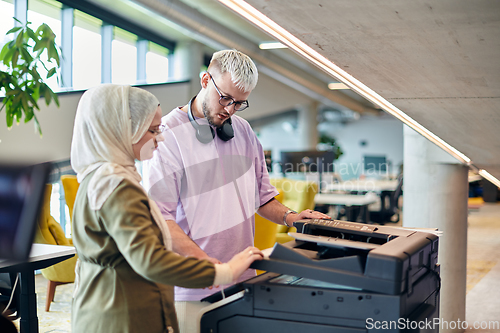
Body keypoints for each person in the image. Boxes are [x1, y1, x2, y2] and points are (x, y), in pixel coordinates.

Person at [143, 49, 330, 332]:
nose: (229, 110)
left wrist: (293, 217)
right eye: (225, 98)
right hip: (192, 285)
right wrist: (207, 264)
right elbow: (161, 220)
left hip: (244, 280)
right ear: (205, 80)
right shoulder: (167, 137)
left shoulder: (242, 131)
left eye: (239, 103)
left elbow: (262, 197)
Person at [69, 84, 263, 333]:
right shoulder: (117, 186)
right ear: (121, 130)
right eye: (152, 131)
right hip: (121, 315)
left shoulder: (99, 176)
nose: (160, 138)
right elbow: (150, 259)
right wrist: (224, 271)